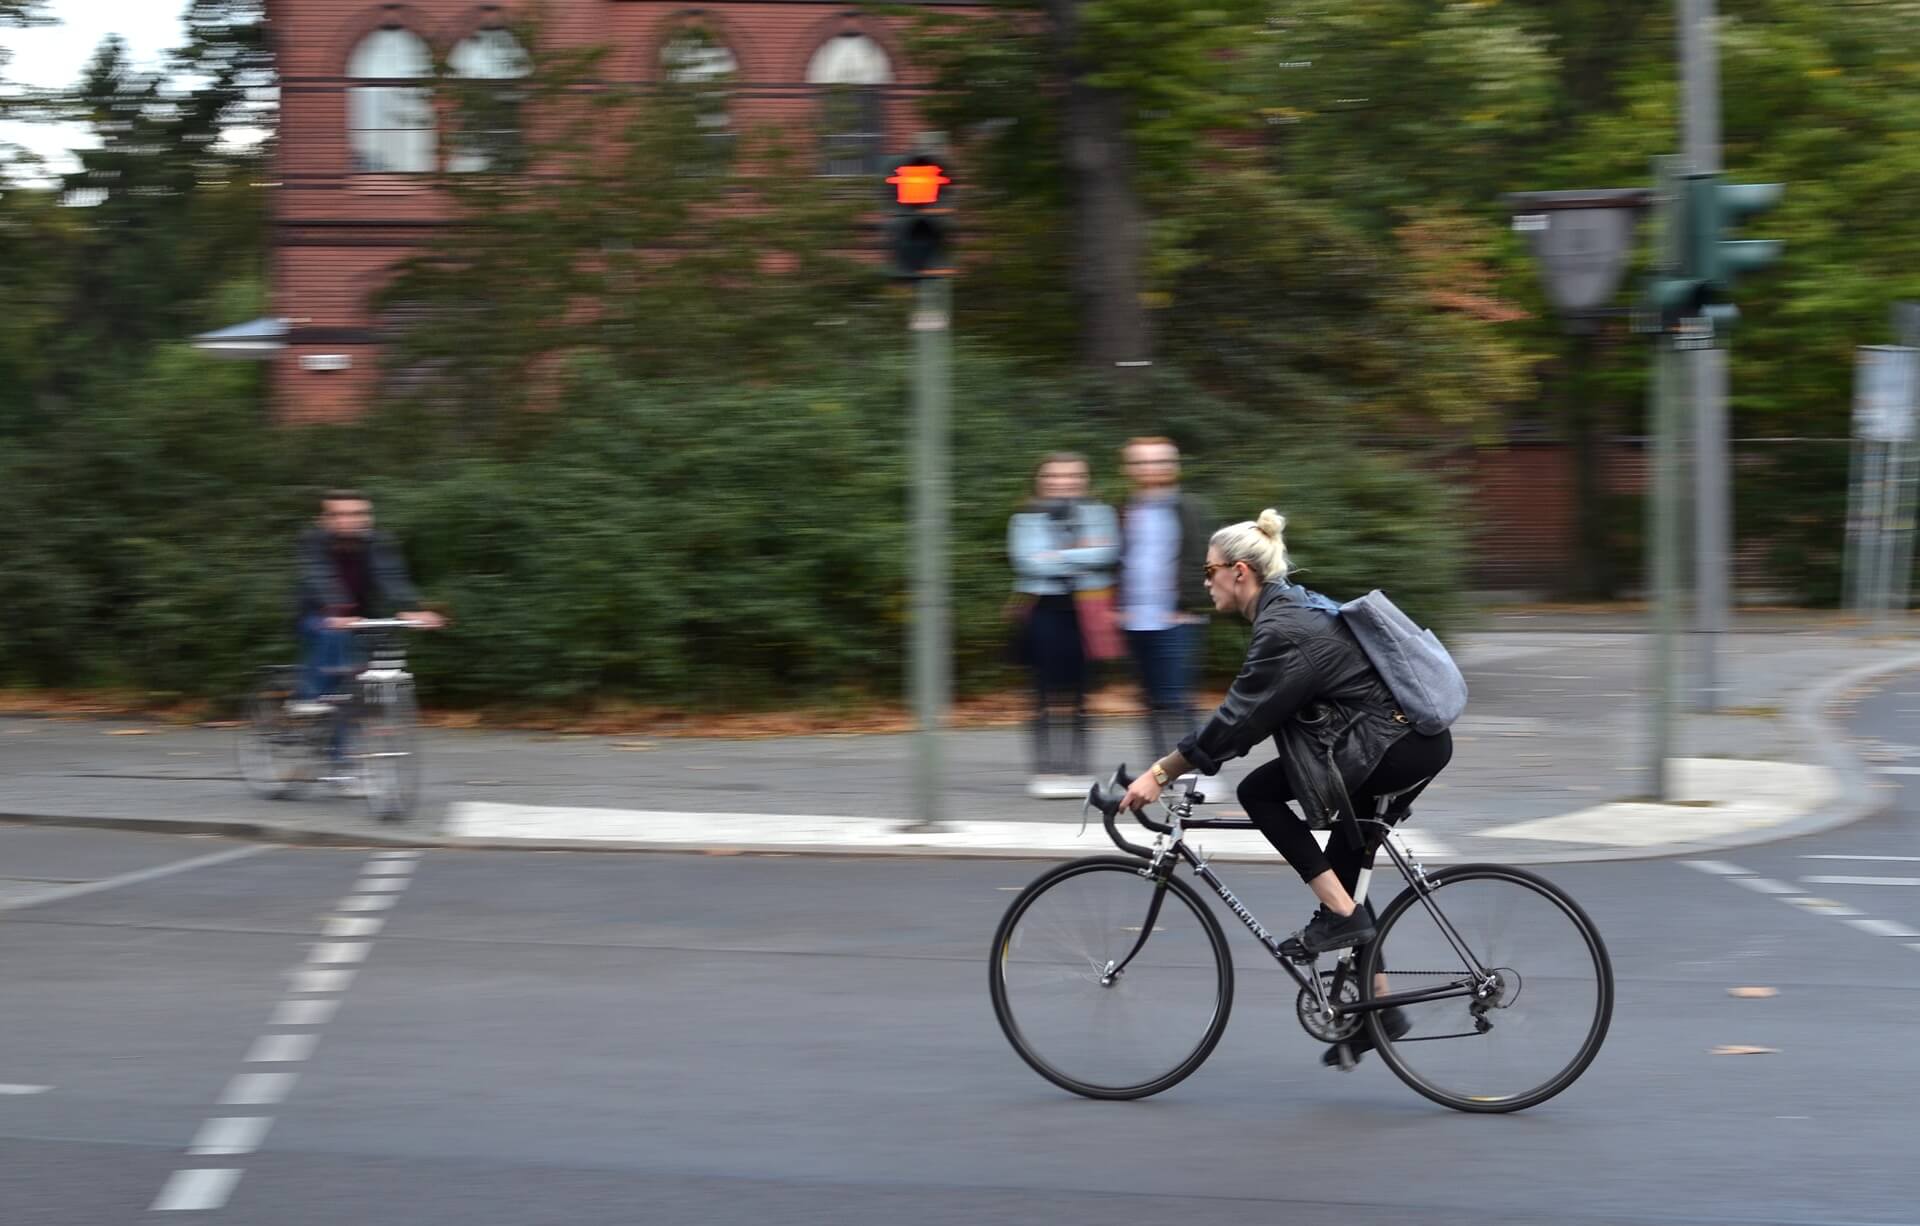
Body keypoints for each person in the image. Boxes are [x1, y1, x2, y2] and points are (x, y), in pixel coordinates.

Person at [1120, 508, 1453, 1065]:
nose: (1205, 583)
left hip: (1392, 745)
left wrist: (1161, 772)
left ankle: (1342, 919)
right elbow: (1252, 715)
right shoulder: (1289, 610)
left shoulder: (1283, 630)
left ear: (1240, 572)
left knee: (1260, 794)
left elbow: (1238, 719)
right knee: (1347, 862)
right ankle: (1380, 1011)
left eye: (1210, 571)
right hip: (1396, 740)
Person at [1008, 453, 1119, 798]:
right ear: (1040, 480)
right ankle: (1046, 770)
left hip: (1086, 609)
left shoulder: (1101, 514)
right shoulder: (1024, 519)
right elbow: (1027, 563)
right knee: (1041, 693)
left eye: (1072, 475)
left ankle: (1078, 768)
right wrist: (1080, 552)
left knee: (1082, 693)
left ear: (1084, 480)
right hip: (1043, 609)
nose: (1063, 481)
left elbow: (1108, 554)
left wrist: (1055, 556)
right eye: (1054, 476)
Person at [292, 490, 443, 735]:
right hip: (318, 614)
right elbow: (317, 575)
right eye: (338, 515)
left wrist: (412, 609)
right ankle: (307, 697)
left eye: (356, 514)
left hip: (362, 618)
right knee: (333, 634)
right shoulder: (311, 540)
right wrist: (336, 609)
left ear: (368, 517)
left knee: (352, 684)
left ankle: (340, 762)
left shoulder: (379, 541)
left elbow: (391, 577)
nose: (347, 520)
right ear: (324, 519)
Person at [1115, 437, 1214, 796]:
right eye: (1140, 462)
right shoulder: (1125, 508)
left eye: (1158, 461)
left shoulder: (1189, 508)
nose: (1149, 468)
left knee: (1178, 700)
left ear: (1173, 465)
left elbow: (1207, 558)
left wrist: (1191, 604)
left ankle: (1195, 774)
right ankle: (1159, 774)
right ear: (1129, 468)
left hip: (1176, 618)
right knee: (1150, 702)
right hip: (1135, 619)